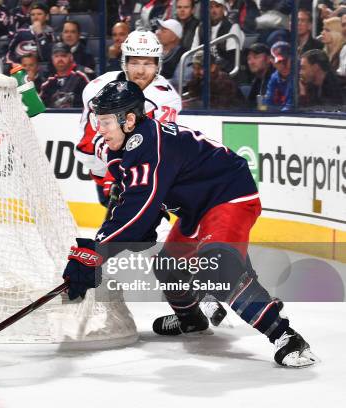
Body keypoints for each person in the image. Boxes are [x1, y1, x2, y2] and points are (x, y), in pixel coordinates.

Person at [61, 80, 318, 368]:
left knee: (217, 269)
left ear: (129, 119)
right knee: (167, 266)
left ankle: (286, 336)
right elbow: (126, 202)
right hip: (196, 207)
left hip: (228, 196)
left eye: (106, 121)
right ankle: (191, 320)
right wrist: (105, 243)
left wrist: (97, 252)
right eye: (98, 121)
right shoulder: (119, 148)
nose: (100, 129)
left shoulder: (147, 142)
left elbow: (139, 207)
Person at [75, 30, 181, 208]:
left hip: (143, 175)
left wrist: (121, 171)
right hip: (104, 170)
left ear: (158, 65)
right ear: (125, 62)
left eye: (147, 64)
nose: (140, 71)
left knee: (148, 225)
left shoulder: (165, 98)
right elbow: (87, 144)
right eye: (135, 63)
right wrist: (111, 168)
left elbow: (155, 146)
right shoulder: (98, 87)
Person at [191, 0, 245, 72]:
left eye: (217, 6)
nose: (213, 10)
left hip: (223, 73)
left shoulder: (233, 27)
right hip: (202, 70)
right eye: (210, 7)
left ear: (223, 8)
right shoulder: (201, 28)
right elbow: (193, 54)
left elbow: (232, 61)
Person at [39, 42, 90, 108]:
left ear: (71, 57)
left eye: (63, 56)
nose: (60, 59)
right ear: (52, 58)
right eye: (56, 56)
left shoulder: (81, 77)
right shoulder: (48, 83)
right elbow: (39, 107)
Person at [262, 41, 294, 111]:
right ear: (272, 62)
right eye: (279, 62)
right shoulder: (274, 77)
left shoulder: (298, 75)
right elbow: (267, 102)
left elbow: (291, 106)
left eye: (285, 60)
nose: (284, 66)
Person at [245, 43, 274, 109]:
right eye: (248, 58)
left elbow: (265, 109)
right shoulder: (257, 80)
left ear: (268, 59)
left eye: (255, 57)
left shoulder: (274, 79)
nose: (251, 62)